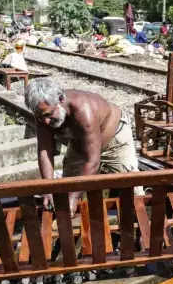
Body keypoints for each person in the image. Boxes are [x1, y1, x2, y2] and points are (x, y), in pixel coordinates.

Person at [24, 77, 140, 216]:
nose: (46, 121)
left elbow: (93, 161)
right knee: (68, 186)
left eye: (49, 115)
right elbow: (45, 151)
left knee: (132, 188)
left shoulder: (83, 110)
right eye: (41, 117)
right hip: (80, 142)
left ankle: (142, 227)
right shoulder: (43, 113)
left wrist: (74, 197)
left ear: (61, 100)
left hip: (115, 140)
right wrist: (48, 189)